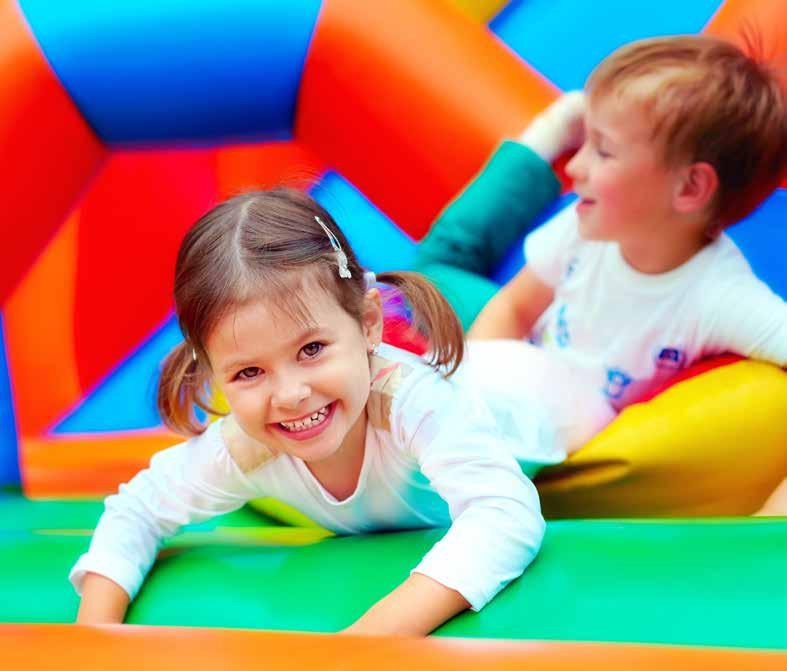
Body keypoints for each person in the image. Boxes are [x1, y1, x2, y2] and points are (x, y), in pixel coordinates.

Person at [70, 189, 567, 636]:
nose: (290, 395)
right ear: (212, 373)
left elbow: (504, 514)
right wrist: (94, 641)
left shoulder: (411, 401)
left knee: (470, 279)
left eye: (311, 349)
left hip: (536, 387)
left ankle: (557, 178)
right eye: (249, 372)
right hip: (455, 365)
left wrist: (364, 642)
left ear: (369, 323)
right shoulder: (246, 447)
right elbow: (137, 510)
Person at [416, 35, 787, 436]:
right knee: (432, 271)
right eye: (589, 143)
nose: (575, 167)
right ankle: (543, 142)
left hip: (553, 415)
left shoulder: (717, 297)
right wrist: (469, 387)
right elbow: (515, 308)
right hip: (524, 357)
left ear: (689, 188)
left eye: (603, 150)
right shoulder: (589, 225)